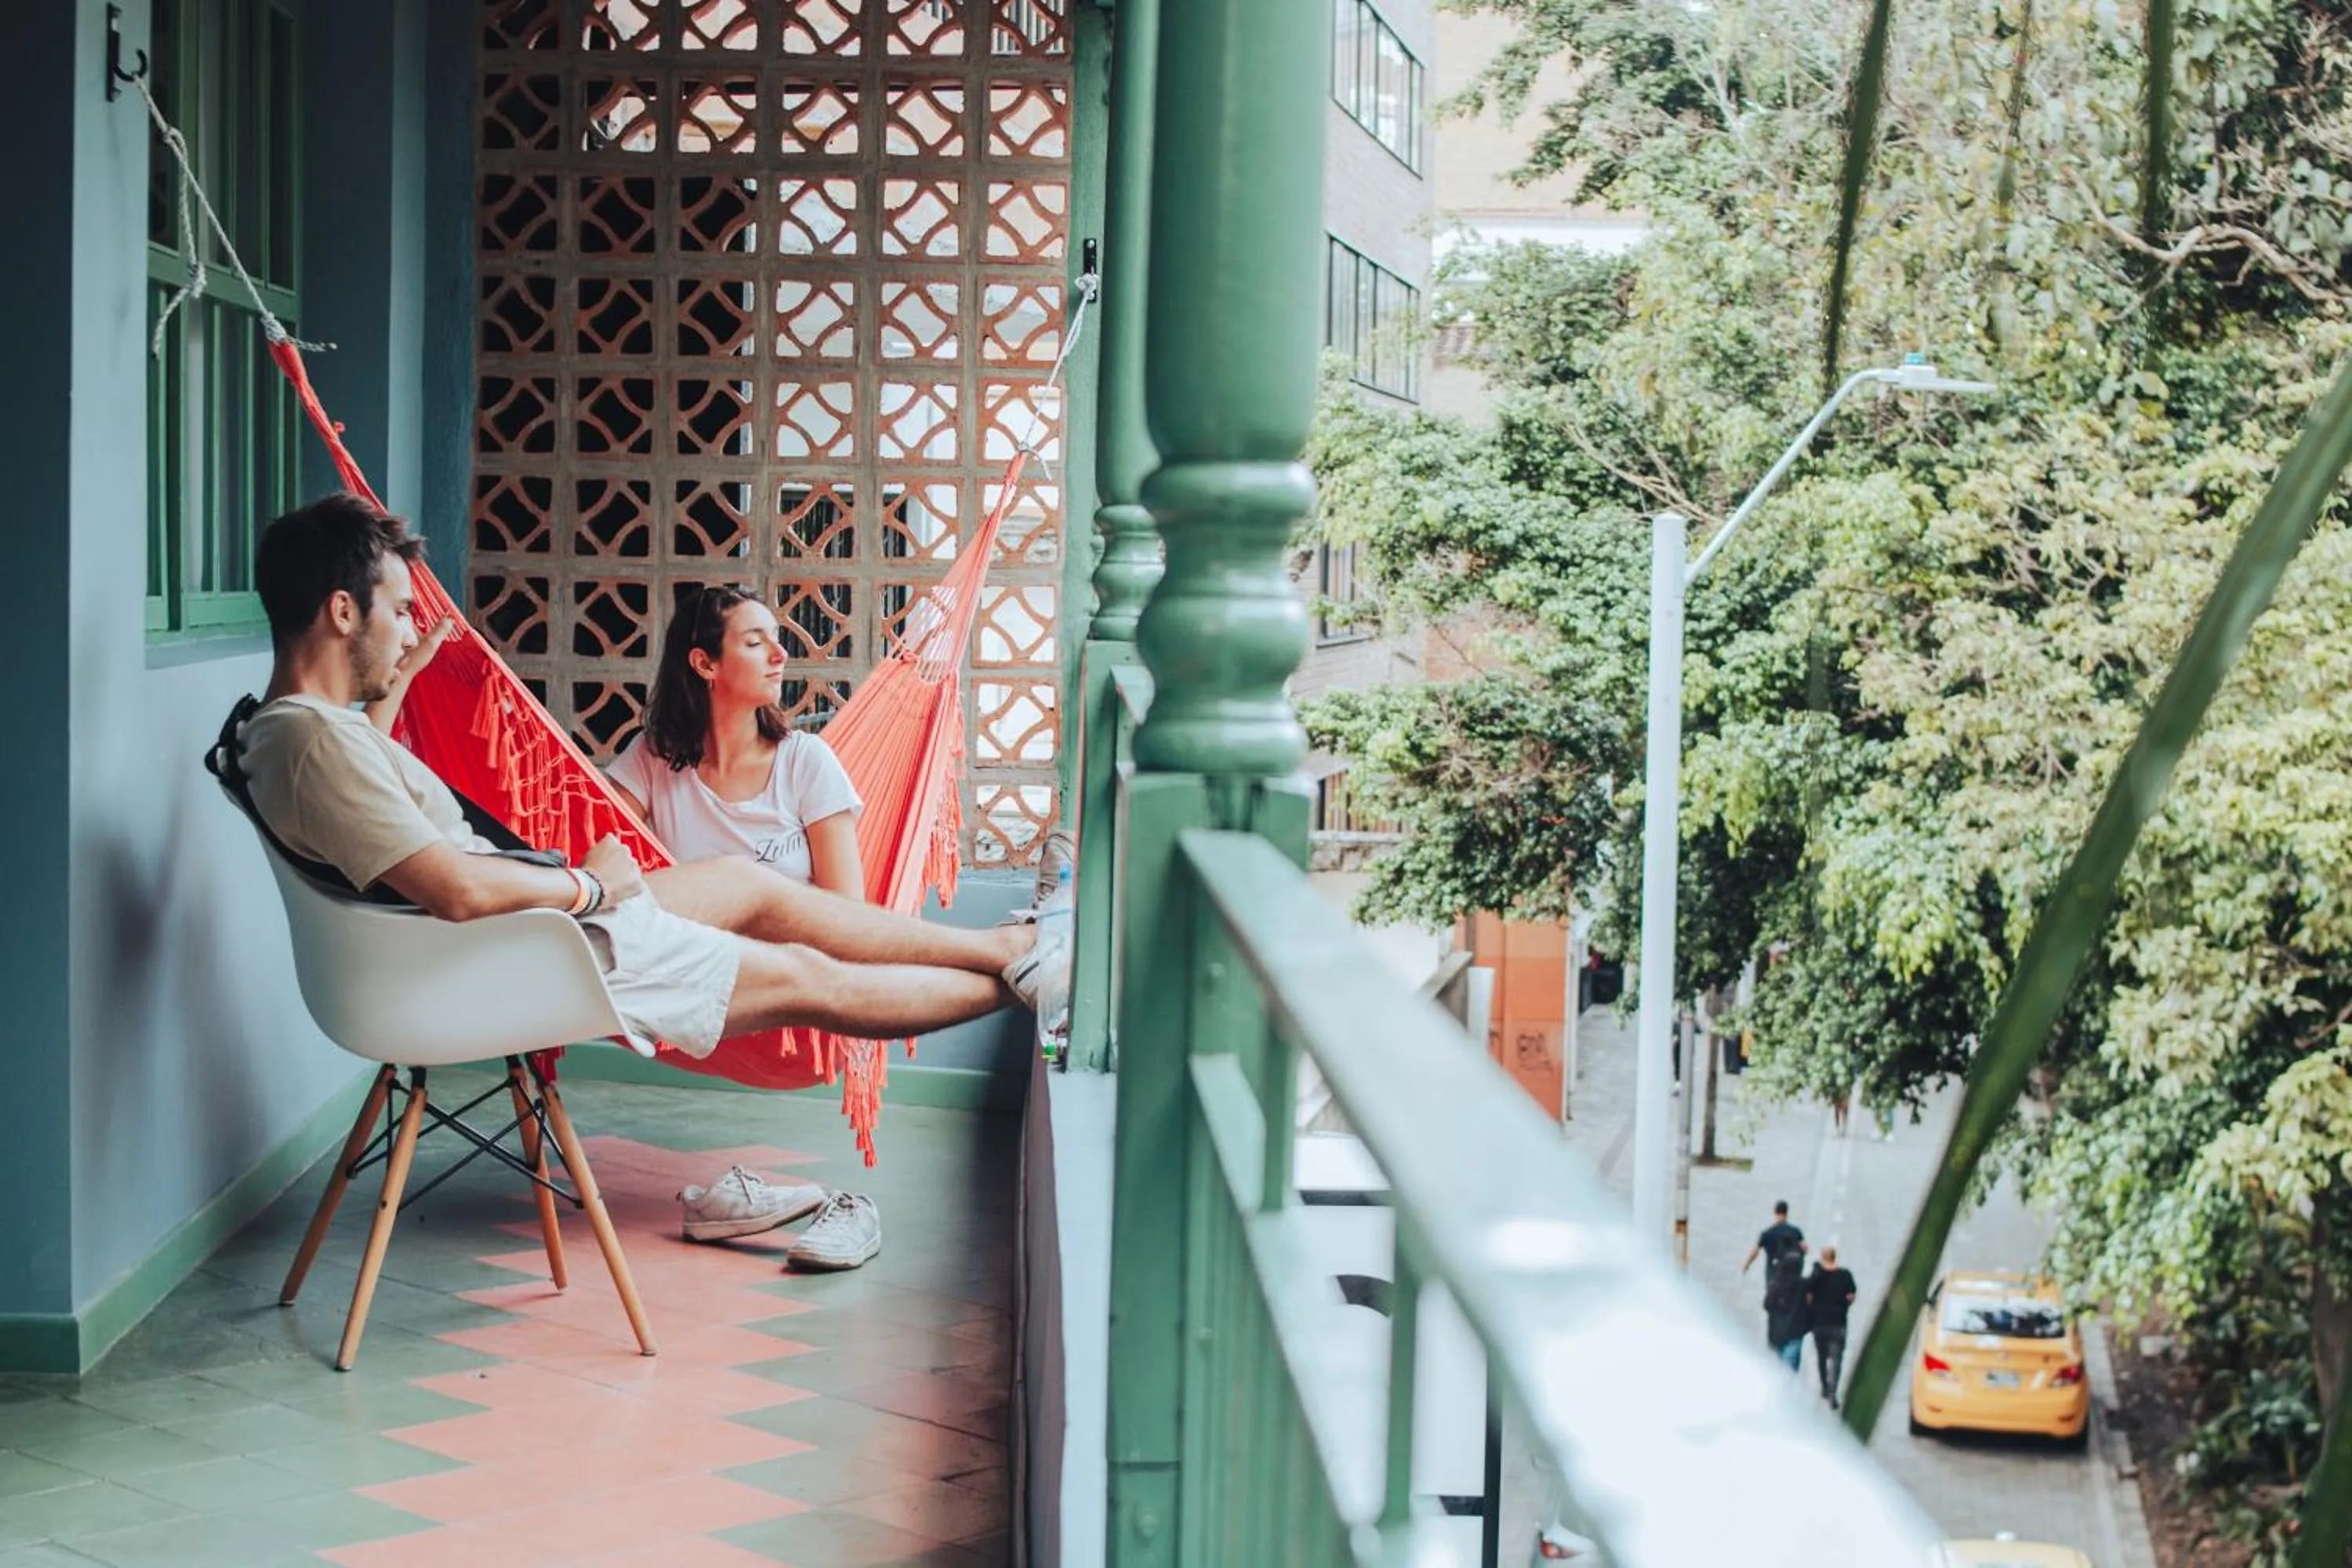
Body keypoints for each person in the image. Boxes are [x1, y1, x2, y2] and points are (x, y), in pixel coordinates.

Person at [234, 495, 1064, 1272]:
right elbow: (458, 891)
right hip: (532, 946)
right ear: (343, 612)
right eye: (399, 609)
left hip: (522, 934)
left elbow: (381, 791)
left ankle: (1010, 947)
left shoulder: (305, 734)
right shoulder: (316, 743)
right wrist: (591, 889)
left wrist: (409, 677)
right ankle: (1024, 969)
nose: (412, 625)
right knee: (811, 975)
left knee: (748, 885)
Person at [1806, 1245, 1859, 1407]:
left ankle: (1824, 1386)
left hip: (1820, 1323)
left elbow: (1809, 1296)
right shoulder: (1845, 1275)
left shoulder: (1817, 1276)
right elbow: (1851, 1296)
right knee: (1837, 1359)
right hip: (1838, 1322)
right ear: (1835, 1257)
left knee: (1822, 1357)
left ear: (1823, 1257)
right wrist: (1844, 1306)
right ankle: (1833, 1392)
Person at [1763, 1239, 1809, 1371]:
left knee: (1775, 1370)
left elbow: (1767, 1305)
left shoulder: (1776, 1284)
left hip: (1776, 1334)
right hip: (1795, 1333)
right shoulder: (1804, 1286)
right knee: (1789, 1372)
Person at [1740, 1200, 1805, 1279]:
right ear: (1787, 1213)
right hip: (1791, 1274)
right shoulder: (1796, 1232)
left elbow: (1755, 1252)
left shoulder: (1766, 1234)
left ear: (1775, 1213)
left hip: (1773, 1274)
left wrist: (1747, 1264)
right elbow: (1805, 1248)